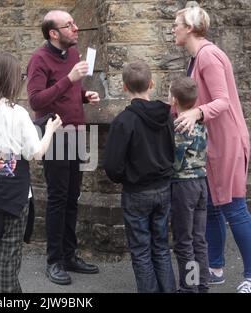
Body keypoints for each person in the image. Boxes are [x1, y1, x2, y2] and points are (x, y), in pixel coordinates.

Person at [172, 4, 251, 293]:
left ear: (189, 28)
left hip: (227, 143)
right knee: (210, 208)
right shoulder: (198, 57)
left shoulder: (208, 56)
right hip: (213, 144)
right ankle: (215, 268)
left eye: (176, 25)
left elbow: (222, 100)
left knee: (234, 208)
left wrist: (196, 114)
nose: (173, 29)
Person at [0, 51, 62, 293]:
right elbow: (36, 153)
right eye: (20, 75)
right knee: (10, 257)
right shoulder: (19, 114)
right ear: (12, 79)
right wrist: (50, 129)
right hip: (15, 194)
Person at [26, 9, 100, 285]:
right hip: (54, 135)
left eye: (74, 23)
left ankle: (70, 255)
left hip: (76, 132)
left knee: (72, 197)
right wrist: (69, 79)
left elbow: (66, 93)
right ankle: (54, 261)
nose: (76, 28)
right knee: (58, 199)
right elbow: (36, 101)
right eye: (69, 25)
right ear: (53, 33)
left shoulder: (71, 53)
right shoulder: (38, 60)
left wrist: (83, 95)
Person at [104, 60, 176, 293]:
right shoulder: (166, 116)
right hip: (163, 188)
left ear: (124, 87)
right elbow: (171, 150)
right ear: (151, 84)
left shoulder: (124, 121)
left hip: (136, 192)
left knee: (141, 251)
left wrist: (127, 177)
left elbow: (112, 165)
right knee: (161, 247)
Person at [169, 77, 209, 293]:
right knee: (198, 240)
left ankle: (189, 287)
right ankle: (201, 285)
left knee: (184, 242)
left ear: (174, 99)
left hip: (184, 186)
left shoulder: (180, 126)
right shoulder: (200, 122)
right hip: (202, 183)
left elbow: (175, 161)